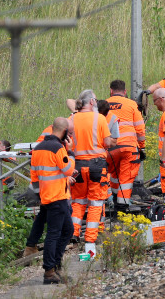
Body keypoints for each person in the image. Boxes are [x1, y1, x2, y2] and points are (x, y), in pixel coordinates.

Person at [29, 117, 75, 284]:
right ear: (63, 132)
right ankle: (49, 272)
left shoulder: (38, 148)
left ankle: (55, 265)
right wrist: (70, 152)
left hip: (47, 197)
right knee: (54, 234)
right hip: (57, 198)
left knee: (67, 230)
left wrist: (40, 195)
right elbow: (68, 170)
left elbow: (33, 176)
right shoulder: (58, 148)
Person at [69, 89, 113, 255]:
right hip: (97, 165)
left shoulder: (71, 119)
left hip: (78, 166)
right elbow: (107, 142)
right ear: (93, 102)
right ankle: (90, 238)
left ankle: (73, 233)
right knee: (95, 202)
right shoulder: (100, 118)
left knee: (78, 201)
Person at [106, 80, 146, 211]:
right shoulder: (132, 104)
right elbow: (140, 129)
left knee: (113, 174)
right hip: (128, 148)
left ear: (111, 91)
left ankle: (114, 198)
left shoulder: (103, 104)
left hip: (110, 148)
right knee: (126, 177)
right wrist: (142, 147)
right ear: (125, 92)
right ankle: (122, 206)